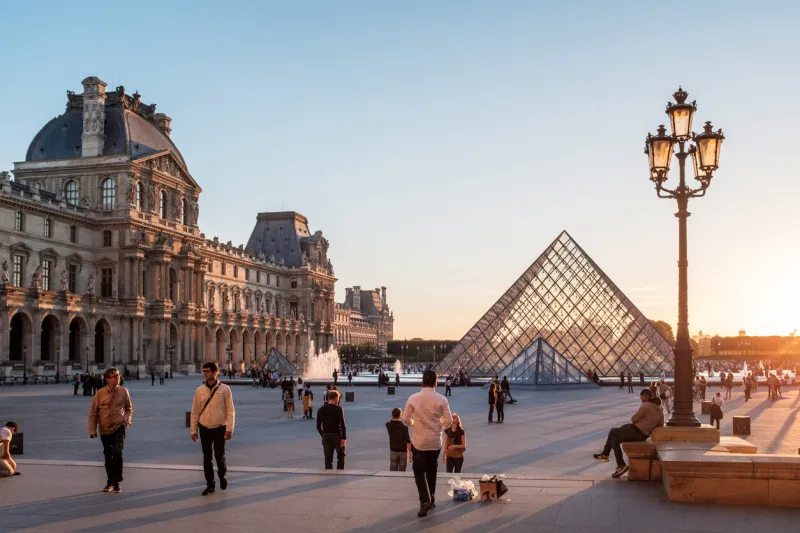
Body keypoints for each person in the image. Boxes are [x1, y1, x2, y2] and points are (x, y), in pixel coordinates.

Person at [402, 370, 452, 518]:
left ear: (422, 381)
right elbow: (448, 422)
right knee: (432, 469)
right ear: (436, 382)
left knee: (418, 471)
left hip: (419, 441)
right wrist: (438, 426)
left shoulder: (413, 398)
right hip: (435, 441)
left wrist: (413, 423)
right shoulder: (442, 399)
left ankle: (425, 501)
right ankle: (432, 497)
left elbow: (405, 419)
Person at [593, 388, 664, 478]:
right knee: (614, 440)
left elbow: (634, 419)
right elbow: (661, 423)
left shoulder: (646, 405)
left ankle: (607, 455)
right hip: (643, 435)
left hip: (635, 430)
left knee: (613, 431)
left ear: (645, 397)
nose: (641, 399)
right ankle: (619, 465)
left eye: (641, 397)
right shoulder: (660, 409)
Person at [190, 362, 235, 496]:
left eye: (208, 371)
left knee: (219, 455)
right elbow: (195, 411)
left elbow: (231, 411)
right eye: (204, 371)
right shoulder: (199, 390)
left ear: (215, 372)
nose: (205, 374)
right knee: (207, 458)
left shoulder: (225, 389)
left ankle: (222, 475)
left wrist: (229, 429)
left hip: (220, 427)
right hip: (204, 427)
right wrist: (193, 430)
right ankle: (210, 484)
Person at [88, 368, 133, 493]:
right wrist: (92, 430)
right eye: (114, 376)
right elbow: (93, 413)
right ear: (107, 379)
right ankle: (110, 482)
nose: (117, 377)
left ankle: (117, 481)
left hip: (119, 427)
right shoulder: (100, 393)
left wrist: (126, 421)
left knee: (117, 452)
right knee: (108, 456)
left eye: (118, 375)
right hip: (104, 428)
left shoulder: (124, 391)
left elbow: (129, 408)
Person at [316, 390, 346, 470]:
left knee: (328, 458)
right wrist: (344, 438)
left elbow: (318, 426)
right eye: (338, 398)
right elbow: (342, 424)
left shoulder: (321, 409)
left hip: (326, 435)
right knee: (340, 456)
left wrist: (323, 434)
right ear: (336, 398)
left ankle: (328, 473)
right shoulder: (339, 409)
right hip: (337, 435)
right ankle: (340, 473)